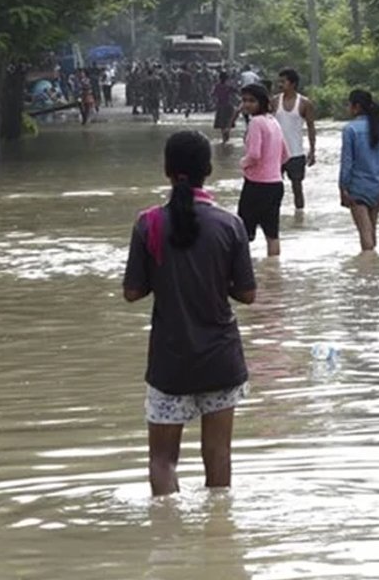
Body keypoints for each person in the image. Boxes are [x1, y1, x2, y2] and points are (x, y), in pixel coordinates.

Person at [122, 130, 257, 496]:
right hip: (221, 360)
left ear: (167, 170)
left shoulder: (147, 224)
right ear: (208, 170)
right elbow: (247, 294)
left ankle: (167, 540)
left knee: (163, 460)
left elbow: (132, 292)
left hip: (170, 363)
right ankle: (217, 541)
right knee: (218, 456)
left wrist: (165, 277)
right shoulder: (230, 225)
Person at [238, 83, 290, 258]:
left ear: (262, 102)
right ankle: (273, 274)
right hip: (275, 185)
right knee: (272, 234)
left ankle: (242, 273)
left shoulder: (256, 122)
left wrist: (242, 164)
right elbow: (285, 155)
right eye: (244, 100)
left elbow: (254, 154)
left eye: (251, 101)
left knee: (243, 234)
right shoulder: (273, 121)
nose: (246, 104)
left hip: (256, 185)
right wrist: (273, 168)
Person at [339, 89, 379, 252]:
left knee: (364, 233)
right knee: (371, 230)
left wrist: (343, 187)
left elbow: (347, 162)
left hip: (358, 188)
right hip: (377, 186)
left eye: (349, 105)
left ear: (356, 107)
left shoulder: (350, 130)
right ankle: (375, 270)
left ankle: (368, 270)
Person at [274, 68, 318, 210]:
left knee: (297, 189)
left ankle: (299, 217)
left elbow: (311, 127)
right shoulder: (274, 102)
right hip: (275, 154)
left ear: (293, 84)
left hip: (296, 153)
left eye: (283, 81)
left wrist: (312, 150)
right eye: (279, 81)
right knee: (274, 189)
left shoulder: (305, 103)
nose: (280, 84)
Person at [212, 72, 239, 143]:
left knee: (221, 124)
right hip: (229, 106)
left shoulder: (217, 86)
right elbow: (236, 91)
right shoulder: (228, 86)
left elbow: (213, 94)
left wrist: (214, 102)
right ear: (227, 79)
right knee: (228, 122)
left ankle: (224, 139)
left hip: (220, 106)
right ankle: (227, 136)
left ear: (219, 78)